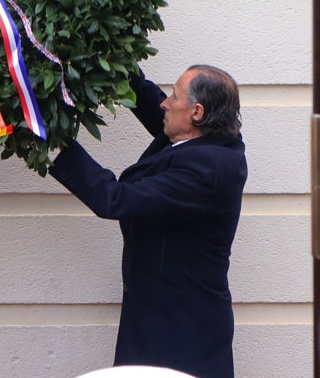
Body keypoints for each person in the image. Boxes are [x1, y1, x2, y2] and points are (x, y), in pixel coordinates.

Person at [49, 65, 247, 378]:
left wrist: (52, 137)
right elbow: (150, 102)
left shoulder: (210, 169)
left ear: (196, 112)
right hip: (155, 317)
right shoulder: (207, 138)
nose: (165, 104)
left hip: (181, 333)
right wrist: (118, 60)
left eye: (174, 96)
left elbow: (114, 199)